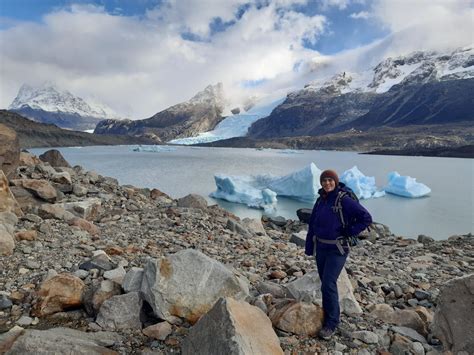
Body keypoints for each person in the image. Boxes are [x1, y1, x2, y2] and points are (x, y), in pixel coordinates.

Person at [305, 169, 372, 340]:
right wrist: (308, 247)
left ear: (335, 181)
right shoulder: (321, 200)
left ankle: (332, 323)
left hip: (337, 249)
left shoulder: (343, 200)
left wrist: (350, 231)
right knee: (325, 284)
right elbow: (312, 224)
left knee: (328, 283)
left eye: (330, 180)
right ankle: (328, 313)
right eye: (324, 180)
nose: (327, 183)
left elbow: (366, 217)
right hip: (321, 248)